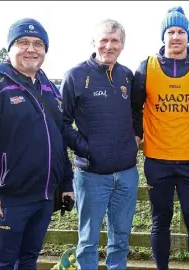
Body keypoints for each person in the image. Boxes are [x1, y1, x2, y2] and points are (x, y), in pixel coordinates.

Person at [0, 18, 74, 269]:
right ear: (10, 48)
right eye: (23, 42)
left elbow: (59, 139)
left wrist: (66, 183)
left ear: (45, 51)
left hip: (43, 198)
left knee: (29, 260)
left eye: (38, 44)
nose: (31, 49)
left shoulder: (48, 87)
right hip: (7, 199)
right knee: (3, 264)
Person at [132, 6, 189, 270]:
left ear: (188, 36)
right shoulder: (147, 67)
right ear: (163, 36)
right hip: (158, 160)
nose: (176, 36)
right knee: (160, 220)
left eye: (181, 31)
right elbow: (135, 110)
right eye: (171, 31)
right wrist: (136, 138)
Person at [60, 19, 141, 270]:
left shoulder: (127, 76)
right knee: (88, 241)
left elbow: (137, 111)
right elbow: (62, 123)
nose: (108, 46)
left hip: (127, 174)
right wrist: (86, 149)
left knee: (120, 239)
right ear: (94, 43)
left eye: (114, 40)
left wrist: (136, 138)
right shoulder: (76, 76)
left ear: (122, 45)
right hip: (91, 176)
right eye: (103, 40)